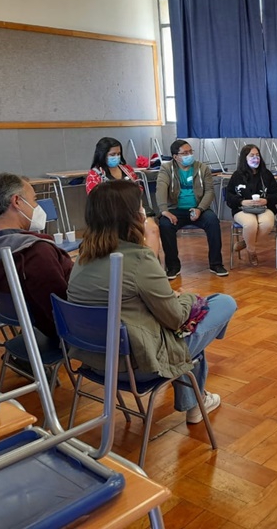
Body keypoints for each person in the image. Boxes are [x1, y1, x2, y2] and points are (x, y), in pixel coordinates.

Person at [67, 181, 237, 425]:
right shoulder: (139, 259)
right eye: (140, 207)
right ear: (131, 217)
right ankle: (195, 401)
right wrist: (187, 297)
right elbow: (176, 318)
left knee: (182, 328)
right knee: (222, 303)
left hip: (94, 360)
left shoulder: (82, 258)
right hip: (138, 365)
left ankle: (195, 400)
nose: (144, 213)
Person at [0, 173, 73, 340]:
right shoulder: (35, 252)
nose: (37, 207)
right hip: (65, 334)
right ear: (17, 201)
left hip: (25, 325)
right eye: (34, 200)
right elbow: (59, 309)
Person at [156, 139, 227, 279]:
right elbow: (161, 188)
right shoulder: (166, 168)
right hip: (176, 209)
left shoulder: (202, 168)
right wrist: (164, 210)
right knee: (165, 224)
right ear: (175, 156)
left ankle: (216, 264)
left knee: (213, 221)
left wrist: (200, 208)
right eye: (185, 153)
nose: (189, 155)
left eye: (190, 152)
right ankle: (173, 266)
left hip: (199, 208)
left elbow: (209, 191)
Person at [85, 137, 160, 258]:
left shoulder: (127, 169)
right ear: (102, 155)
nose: (116, 157)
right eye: (112, 154)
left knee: (153, 229)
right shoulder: (95, 175)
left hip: (135, 210)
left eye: (119, 154)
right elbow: (96, 200)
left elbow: (138, 190)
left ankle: (152, 262)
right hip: (111, 216)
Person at [224, 145, 277, 266]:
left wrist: (266, 200)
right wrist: (241, 201)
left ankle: (246, 243)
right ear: (244, 158)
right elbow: (229, 196)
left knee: (267, 224)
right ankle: (251, 251)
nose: (255, 158)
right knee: (250, 224)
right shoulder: (237, 175)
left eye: (257, 155)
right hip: (242, 209)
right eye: (252, 155)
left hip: (264, 208)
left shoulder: (266, 174)